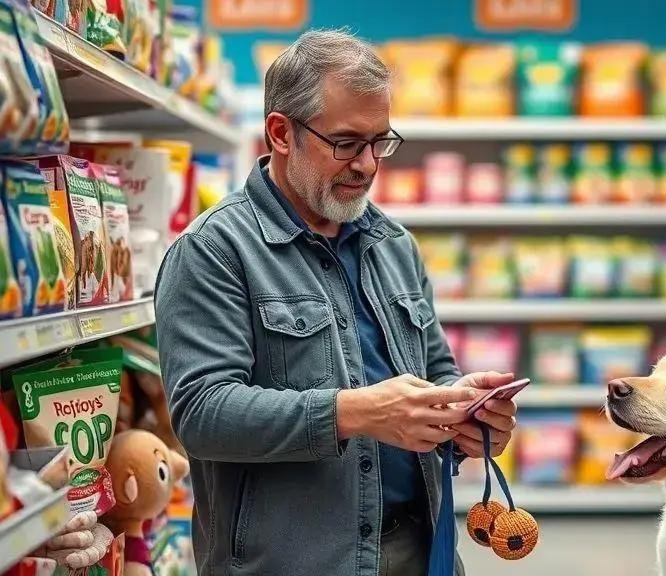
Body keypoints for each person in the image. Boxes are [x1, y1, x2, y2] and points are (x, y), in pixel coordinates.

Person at [155, 29, 518, 576]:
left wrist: (467, 412)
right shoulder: (214, 251)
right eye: (346, 143)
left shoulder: (394, 245)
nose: (368, 164)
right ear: (281, 133)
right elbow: (203, 413)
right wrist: (356, 413)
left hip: (420, 550)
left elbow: (435, 368)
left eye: (380, 142)